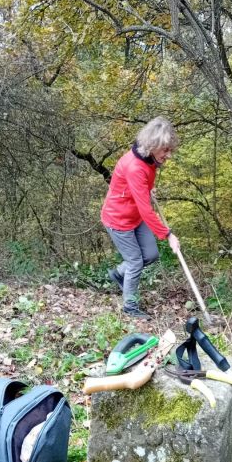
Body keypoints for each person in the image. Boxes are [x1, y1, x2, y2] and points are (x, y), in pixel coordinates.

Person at [101, 116, 180, 319]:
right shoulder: (135, 166)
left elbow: (140, 189)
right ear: (152, 145)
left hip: (134, 216)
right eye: (165, 150)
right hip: (119, 220)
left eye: (170, 150)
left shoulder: (149, 159)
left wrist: (146, 190)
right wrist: (168, 234)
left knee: (151, 254)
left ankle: (119, 274)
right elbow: (146, 210)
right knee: (135, 262)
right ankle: (130, 306)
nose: (168, 155)